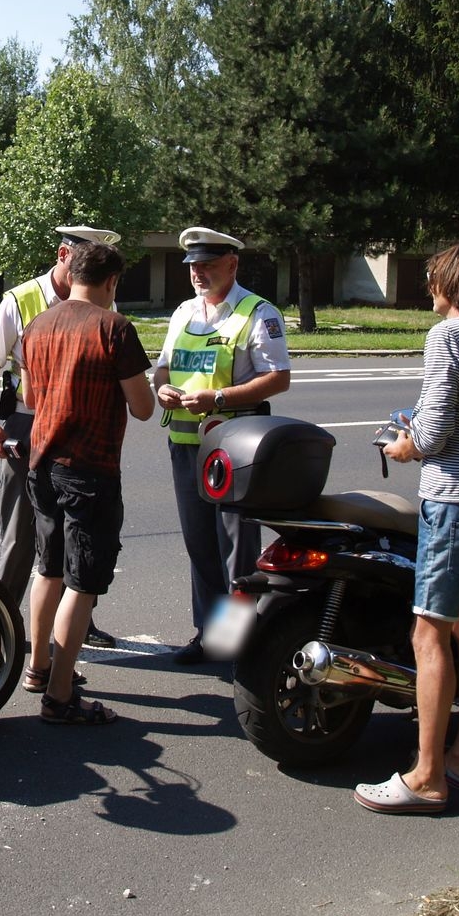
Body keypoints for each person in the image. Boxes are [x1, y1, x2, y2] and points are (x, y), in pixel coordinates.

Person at [354, 240, 459, 815]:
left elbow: (431, 436)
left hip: (453, 502)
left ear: (450, 284)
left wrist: (403, 445)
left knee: (428, 635)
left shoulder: (447, 337)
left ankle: (427, 777)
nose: (427, 285)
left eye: (432, 277)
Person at [18, 240, 154, 724]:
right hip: (89, 468)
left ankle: (37, 667)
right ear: (111, 282)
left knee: (47, 567)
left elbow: (31, 396)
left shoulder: (37, 325)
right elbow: (142, 407)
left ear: (71, 272)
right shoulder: (114, 328)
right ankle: (58, 696)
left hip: (41, 464)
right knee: (83, 580)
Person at [0, 225, 123, 647]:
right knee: (23, 535)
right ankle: (1, 622)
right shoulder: (20, 300)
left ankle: (77, 623)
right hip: (30, 424)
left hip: (83, 427)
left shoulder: (102, 294)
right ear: (63, 254)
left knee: (83, 531)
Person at [153, 227, 291, 665]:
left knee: (237, 548)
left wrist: (218, 398)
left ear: (232, 264)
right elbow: (162, 368)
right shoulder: (183, 313)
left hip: (235, 449)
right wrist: (162, 390)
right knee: (200, 545)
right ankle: (208, 634)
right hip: (187, 444)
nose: (198, 273)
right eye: (193, 266)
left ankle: (237, 641)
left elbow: (278, 377)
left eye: (208, 265)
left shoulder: (257, 312)